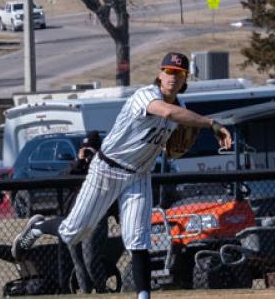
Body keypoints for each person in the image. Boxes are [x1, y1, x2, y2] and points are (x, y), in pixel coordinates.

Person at [13, 52, 232, 299]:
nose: (172, 77)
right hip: (107, 168)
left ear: (185, 79)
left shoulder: (182, 109)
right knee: (73, 232)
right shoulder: (146, 96)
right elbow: (166, 113)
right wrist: (210, 123)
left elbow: (171, 139)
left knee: (139, 239)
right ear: (160, 74)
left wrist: (179, 142)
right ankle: (38, 226)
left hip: (139, 176)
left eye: (179, 74)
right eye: (169, 72)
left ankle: (143, 296)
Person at [12, 130, 115, 293]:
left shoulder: (104, 167)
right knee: (78, 261)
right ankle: (86, 294)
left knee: (90, 259)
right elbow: (62, 178)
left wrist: (96, 160)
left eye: (91, 149)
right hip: (72, 218)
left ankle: (102, 292)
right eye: (84, 148)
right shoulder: (75, 168)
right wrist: (79, 162)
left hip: (96, 219)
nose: (87, 153)